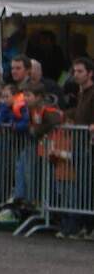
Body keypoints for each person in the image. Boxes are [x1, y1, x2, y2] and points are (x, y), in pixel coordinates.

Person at [59, 57, 94, 239]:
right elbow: (80, 113)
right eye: (74, 71)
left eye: (80, 71)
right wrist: (64, 115)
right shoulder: (82, 93)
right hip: (80, 145)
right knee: (82, 186)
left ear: (90, 73)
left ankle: (89, 226)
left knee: (88, 187)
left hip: (89, 146)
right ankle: (85, 226)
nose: (76, 74)